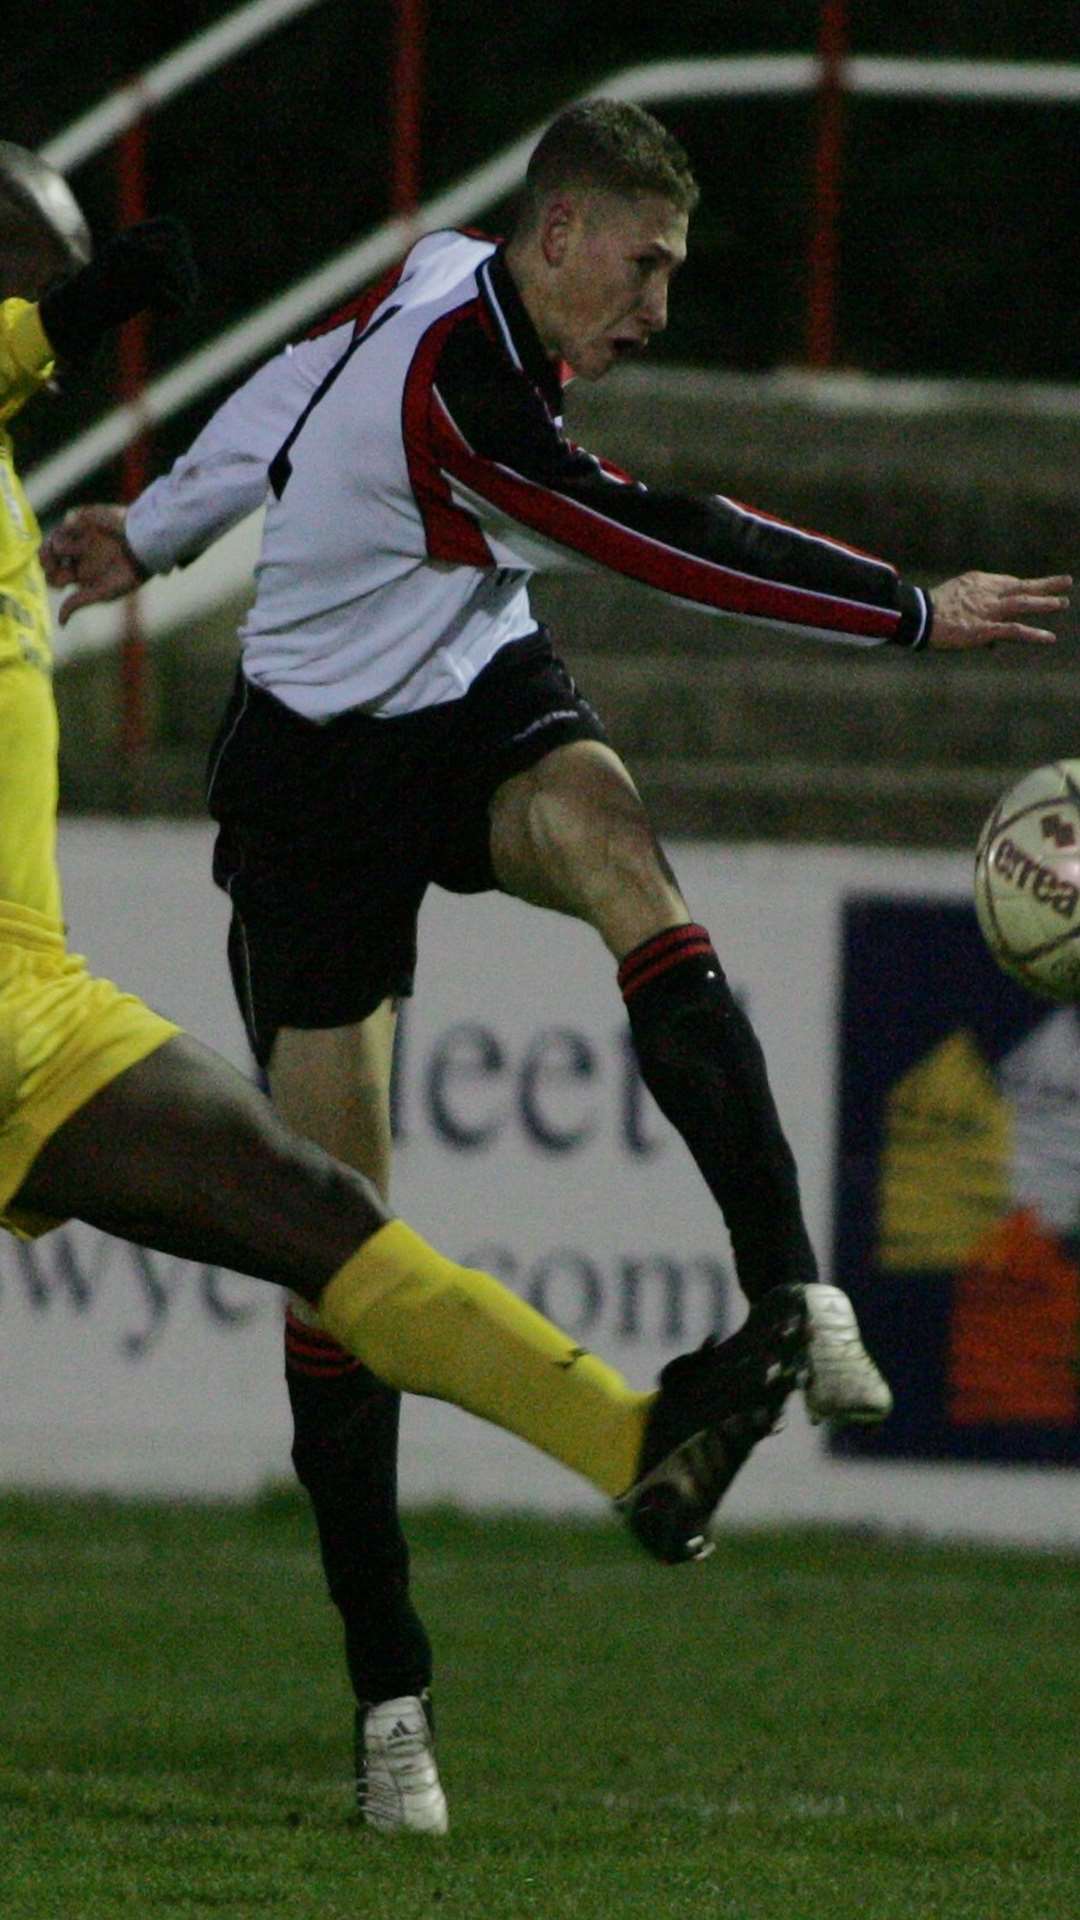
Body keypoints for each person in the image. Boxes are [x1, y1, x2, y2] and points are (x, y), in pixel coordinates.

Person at [43, 100, 1072, 1835]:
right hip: (315, 789)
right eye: (648, 266)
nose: (660, 309)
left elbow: (287, 388)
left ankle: (791, 1294)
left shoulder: (451, 274)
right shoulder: (472, 398)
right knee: (336, 1245)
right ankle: (391, 1699)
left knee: (613, 839)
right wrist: (907, 606)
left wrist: (147, 526)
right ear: (567, 236)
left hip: (474, 687)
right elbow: (676, 540)